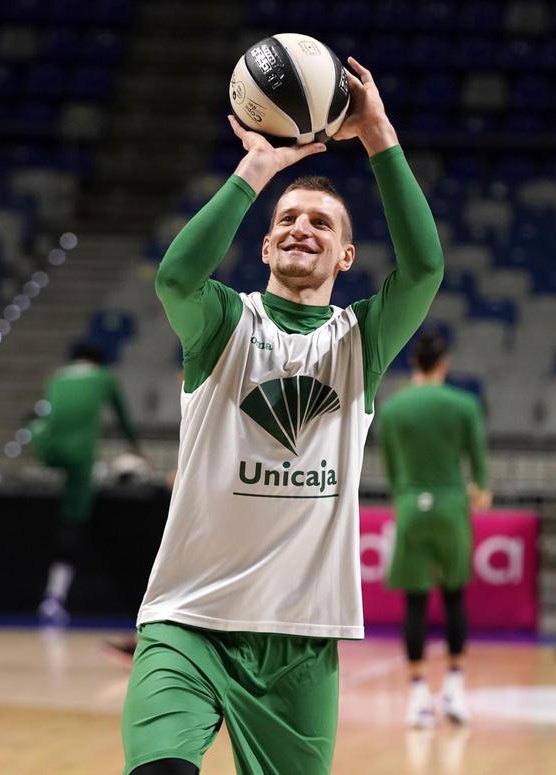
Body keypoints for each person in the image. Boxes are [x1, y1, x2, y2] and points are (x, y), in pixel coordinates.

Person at [122, 57, 443, 775]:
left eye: (322, 222)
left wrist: (379, 135)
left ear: (347, 254)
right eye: (288, 220)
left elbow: (423, 271)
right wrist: (255, 171)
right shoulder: (221, 324)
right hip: (188, 620)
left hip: (301, 635)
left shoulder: (362, 339)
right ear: (265, 246)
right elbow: (175, 276)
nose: (303, 228)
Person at [376, 329, 491, 727]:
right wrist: (481, 490)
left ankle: (417, 696)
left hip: (410, 506)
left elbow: (391, 469)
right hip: (451, 507)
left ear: (414, 363)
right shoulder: (464, 404)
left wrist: (405, 497)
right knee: (455, 596)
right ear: (444, 364)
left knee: (415, 603)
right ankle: (455, 692)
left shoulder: (392, 408)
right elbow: (478, 464)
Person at [31, 341, 139, 626]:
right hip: (80, 460)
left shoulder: (56, 378)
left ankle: (52, 595)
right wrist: (136, 448)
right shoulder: (104, 378)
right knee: (73, 524)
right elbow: (123, 419)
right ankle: (54, 597)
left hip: (46, 451)